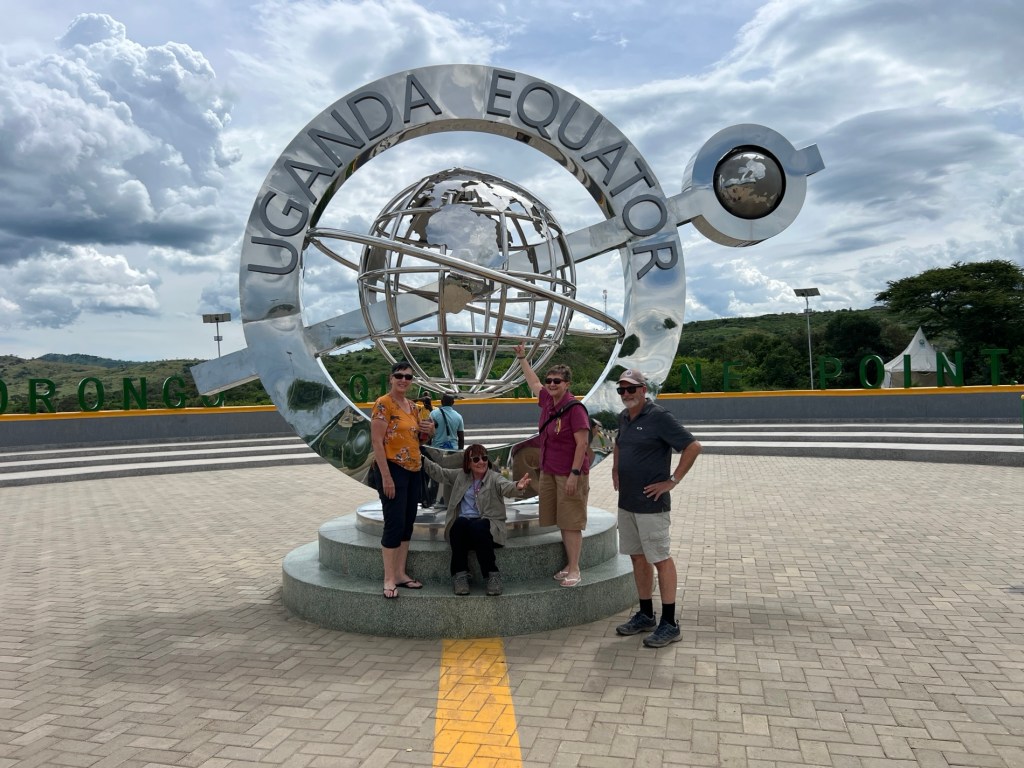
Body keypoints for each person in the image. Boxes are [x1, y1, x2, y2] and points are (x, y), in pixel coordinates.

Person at [611, 369, 702, 648]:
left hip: (651, 505)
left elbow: (693, 446)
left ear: (643, 390)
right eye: (622, 390)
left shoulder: (659, 416)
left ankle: (670, 623)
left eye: (631, 389)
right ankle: (646, 615)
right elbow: (619, 443)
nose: (626, 394)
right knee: (638, 558)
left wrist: (672, 481)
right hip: (627, 502)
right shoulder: (624, 417)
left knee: (660, 559)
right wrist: (615, 468)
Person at [514, 343, 591, 587]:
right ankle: (569, 564)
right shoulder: (548, 400)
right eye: (550, 380)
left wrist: (574, 474)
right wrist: (522, 358)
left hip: (569, 473)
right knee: (561, 519)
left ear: (567, 384)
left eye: (557, 381)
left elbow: (582, 444)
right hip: (550, 470)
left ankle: (575, 568)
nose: (551, 384)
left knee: (571, 521)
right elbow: (533, 383)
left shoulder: (575, 409)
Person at [422, 444, 531, 596]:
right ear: (468, 463)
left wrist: (517, 486)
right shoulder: (461, 476)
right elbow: (440, 473)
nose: (481, 462)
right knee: (458, 524)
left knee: (478, 527)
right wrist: (422, 459)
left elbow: (506, 487)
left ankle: (492, 575)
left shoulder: (494, 478)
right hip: (466, 531)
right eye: (476, 459)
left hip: (489, 531)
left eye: (484, 458)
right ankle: (460, 575)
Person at [370, 361, 436, 599]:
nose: (403, 380)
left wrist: (430, 431)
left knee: (407, 523)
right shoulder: (383, 404)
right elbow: (377, 442)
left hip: (413, 470)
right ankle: (388, 578)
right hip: (393, 469)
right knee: (394, 522)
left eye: (408, 377)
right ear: (391, 378)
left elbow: (419, 439)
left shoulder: (413, 407)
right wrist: (386, 477)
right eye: (399, 375)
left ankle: (400, 573)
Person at [428, 393, 466, 508]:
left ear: (441, 402)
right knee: (450, 476)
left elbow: (429, 433)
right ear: (453, 403)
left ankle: (437, 500)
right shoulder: (458, 416)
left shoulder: (434, 414)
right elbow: (461, 437)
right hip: (452, 451)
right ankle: (449, 500)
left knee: (436, 473)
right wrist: (460, 452)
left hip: (437, 450)